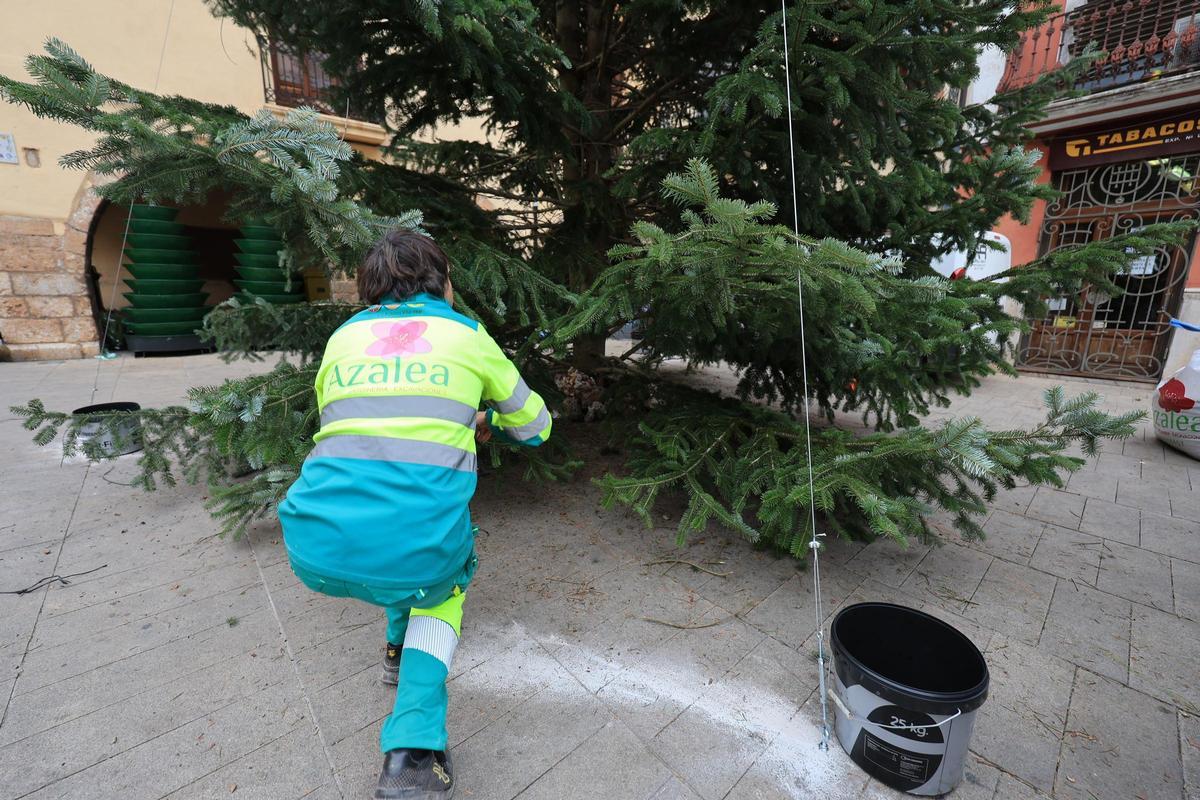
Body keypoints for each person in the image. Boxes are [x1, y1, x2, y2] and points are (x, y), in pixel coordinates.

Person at [278, 229, 551, 799]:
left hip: (313, 542)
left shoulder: (343, 337)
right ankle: (413, 753)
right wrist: (487, 422)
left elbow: (354, 426)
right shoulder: (467, 334)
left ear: (372, 289)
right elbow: (536, 426)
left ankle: (394, 649)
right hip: (416, 550)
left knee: (402, 527)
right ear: (443, 282)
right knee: (437, 575)